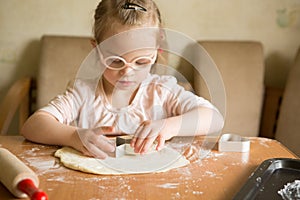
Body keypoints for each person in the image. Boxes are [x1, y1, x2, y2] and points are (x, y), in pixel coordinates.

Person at [21, 0, 224, 159]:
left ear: (157, 51)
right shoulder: (83, 93)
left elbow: (214, 118)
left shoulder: (162, 91)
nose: (128, 72)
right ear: (96, 50)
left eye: (142, 61)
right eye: (116, 62)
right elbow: (33, 125)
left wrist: (168, 126)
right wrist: (74, 136)